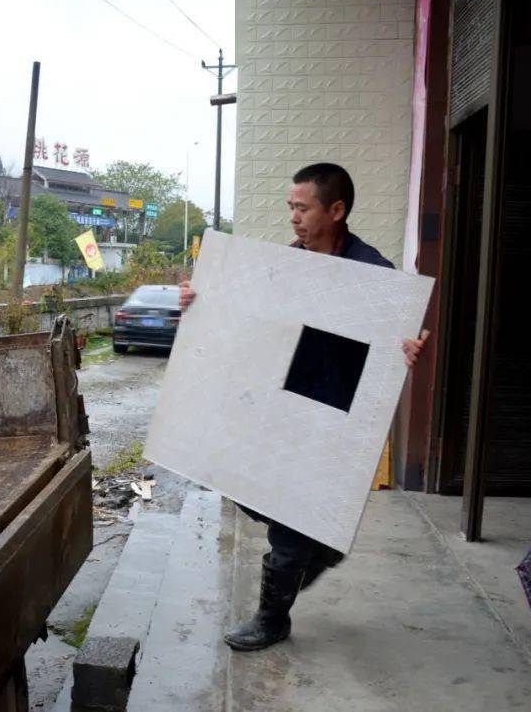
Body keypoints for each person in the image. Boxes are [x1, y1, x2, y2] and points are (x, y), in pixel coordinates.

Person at [178, 163, 429, 651]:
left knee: (288, 522)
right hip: (279, 401)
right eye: (290, 207)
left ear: (336, 210)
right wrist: (199, 301)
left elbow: (396, 342)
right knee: (245, 486)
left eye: (302, 207)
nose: (292, 217)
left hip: (333, 411)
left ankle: (273, 617)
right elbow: (245, 319)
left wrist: (407, 351)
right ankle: (321, 549)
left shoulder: (373, 273)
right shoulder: (288, 264)